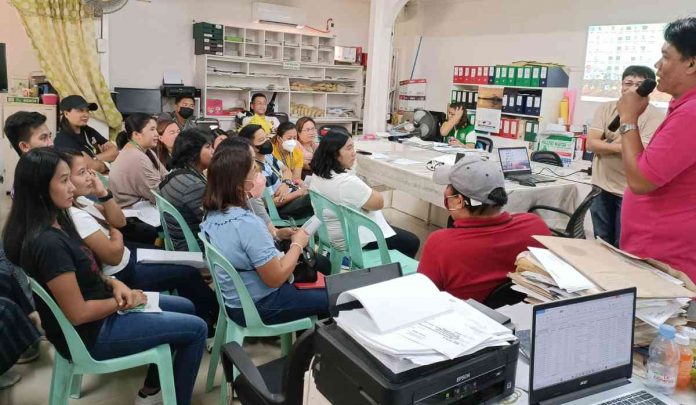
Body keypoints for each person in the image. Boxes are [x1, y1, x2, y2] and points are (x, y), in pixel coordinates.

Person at [2, 148, 206, 405]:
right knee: (196, 328)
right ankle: (174, 398)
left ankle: (157, 389)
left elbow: (88, 272)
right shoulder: (47, 243)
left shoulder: (60, 221)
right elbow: (78, 313)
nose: (72, 188)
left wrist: (114, 283)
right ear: (41, 188)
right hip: (92, 334)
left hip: (103, 309)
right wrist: (124, 300)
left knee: (187, 307)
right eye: (64, 181)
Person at [63, 150, 218, 328]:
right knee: (187, 273)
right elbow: (114, 252)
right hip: (121, 272)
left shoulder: (82, 201)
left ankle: (202, 314)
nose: (90, 176)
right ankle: (210, 319)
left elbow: (118, 221)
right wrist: (113, 231)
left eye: (89, 170)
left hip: (127, 257)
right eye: (82, 173)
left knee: (180, 263)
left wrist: (103, 194)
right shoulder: (76, 216)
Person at [200, 145, 329, 327]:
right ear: (240, 184)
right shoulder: (247, 223)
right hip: (261, 305)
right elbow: (276, 279)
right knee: (339, 298)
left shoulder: (212, 214)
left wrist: (277, 235)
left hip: (234, 300)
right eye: (254, 170)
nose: (260, 173)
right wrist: (297, 244)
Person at [617, 17, 696, 278]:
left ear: (691, 63)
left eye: (665, 56)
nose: (657, 66)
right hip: (661, 250)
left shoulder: (691, 115)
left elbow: (641, 181)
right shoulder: (684, 109)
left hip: (665, 258)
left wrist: (628, 118)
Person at [418, 155, 551, 301]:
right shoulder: (535, 226)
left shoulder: (441, 244)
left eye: (448, 186)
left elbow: (424, 299)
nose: (445, 191)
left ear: (458, 201)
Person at [586, 66, 664, 248]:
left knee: (623, 245)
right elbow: (591, 144)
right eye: (628, 83)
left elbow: (641, 152)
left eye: (639, 84)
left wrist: (606, 146)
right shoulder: (606, 108)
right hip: (600, 185)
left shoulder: (655, 116)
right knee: (600, 241)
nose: (632, 88)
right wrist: (622, 146)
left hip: (629, 191)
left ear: (648, 89)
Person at [309, 131, 420, 258]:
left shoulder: (318, 174)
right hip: (353, 239)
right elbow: (378, 203)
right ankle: (392, 273)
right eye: (349, 148)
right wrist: (359, 180)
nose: (354, 153)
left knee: (387, 224)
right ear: (334, 154)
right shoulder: (346, 181)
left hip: (328, 233)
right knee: (411, 241)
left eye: (353, 147)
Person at [239, 124, 314, 220]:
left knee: (318, 193)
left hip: (291, 194)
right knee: (315, 198)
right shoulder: (256, 170)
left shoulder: (268, 156)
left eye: (266, 137)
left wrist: (285, 183)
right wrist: (300, 193)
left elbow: (286, 170)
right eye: (262, 140)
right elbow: (273, 202)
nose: (267, 142)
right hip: (281, 209)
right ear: (250, 146)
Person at [159, 128, 214, 251]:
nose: (213, 152)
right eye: (208, 147)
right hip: (197, 247)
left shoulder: (177, 173)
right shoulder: (192, 185)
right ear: (193, 152)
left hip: (179, 242)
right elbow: (216, 223)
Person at [110, 113, 168, 208]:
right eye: (152, 129)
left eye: (156, 129)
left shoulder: (145, 151)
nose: (157, 134)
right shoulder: (136, 157)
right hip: (134, 215)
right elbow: (157, 196)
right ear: (136, 135)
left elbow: (165, 175)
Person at [54, 95, 118, 174]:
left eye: (87, 111)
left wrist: (94, 158)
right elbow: (92, 167)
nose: (86, 115)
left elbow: (114, 151)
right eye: (80, 110)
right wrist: (106, 162)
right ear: (66, 114)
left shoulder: (87, 130)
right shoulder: (63, 140)